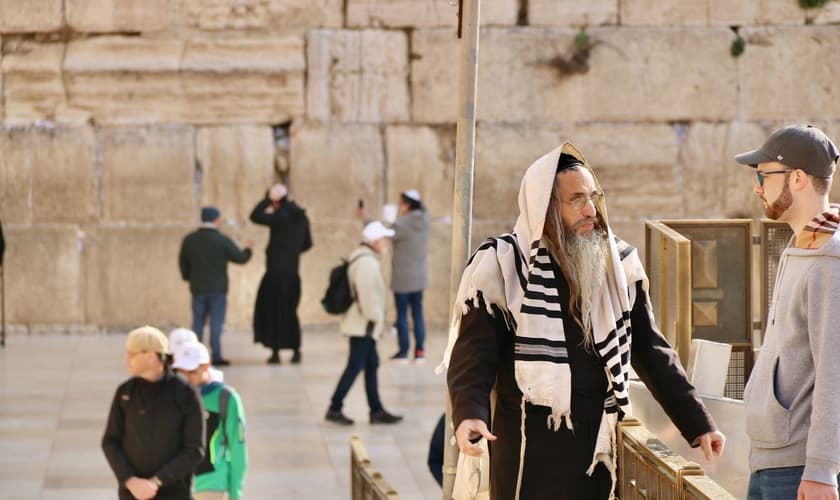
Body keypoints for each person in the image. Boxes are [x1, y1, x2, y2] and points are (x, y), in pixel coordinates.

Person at [441, 144, 725, 500]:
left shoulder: (618, 267)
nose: (591, 210)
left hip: (596, 446)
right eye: (576, 199)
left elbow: (650, 350)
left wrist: (697, 423)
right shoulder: (502, 265)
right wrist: (470, 413)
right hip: (529, 447)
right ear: (546, 207)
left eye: (593, 197)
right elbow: (475, 352)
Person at [735, 124, 840, 500]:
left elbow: (835, 371)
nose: (757, 186)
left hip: (799, 471)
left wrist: (822, 470)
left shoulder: (830, 259)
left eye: (764, 175)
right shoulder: (803, 246)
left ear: (797, 178)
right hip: (771, 460)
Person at [102, 326, 205, 500]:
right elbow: (110, 441)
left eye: (132, 354)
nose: (126, 359)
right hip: (131, 494)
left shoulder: (186, 394)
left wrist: (156, 482)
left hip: (173, 494)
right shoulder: (125, 392)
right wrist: (130, 481)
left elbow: (194, 450)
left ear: (151, 356)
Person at [325, 221, 404, 426]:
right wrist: (375, 318)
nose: (386, 242)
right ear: (375, 241)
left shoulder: (364, 258)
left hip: (363, 325)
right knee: (355, 366)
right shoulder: (367, 262)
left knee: (371, 365)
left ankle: (376, 410)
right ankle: (334, 407)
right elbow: (367, 295)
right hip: (364, 326)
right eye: (384, 238)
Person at [173, 341, 248, 500]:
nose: (186, 377)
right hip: (175, 486)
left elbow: (238, 450)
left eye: (192, 371)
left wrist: (235, 494)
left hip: (211, 486)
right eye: (181, 371)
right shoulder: (173, 396)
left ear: (206, 366)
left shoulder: (226, 398)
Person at [179, 206, 253, 366]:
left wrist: (188, 278)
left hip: (197, 287)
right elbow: (240, 258)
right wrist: (248, 249)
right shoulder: (221, 240)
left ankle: (194, 356)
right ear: (215, 220)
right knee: (216, 324)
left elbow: (183, 262)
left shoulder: (190, 239)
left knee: (197, 322)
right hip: (218, 289)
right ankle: (216, 355)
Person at [250, 184, 312, 364]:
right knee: (290, 311)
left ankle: (276, 351)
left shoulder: (279, 216)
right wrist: (292, 252)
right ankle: (296, 350)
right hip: (292, 272)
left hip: (275, 273)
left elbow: (255, 215)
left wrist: (269, 199)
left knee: (274, 311)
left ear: (276, 202)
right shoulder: (301, 217)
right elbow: (307, 244)